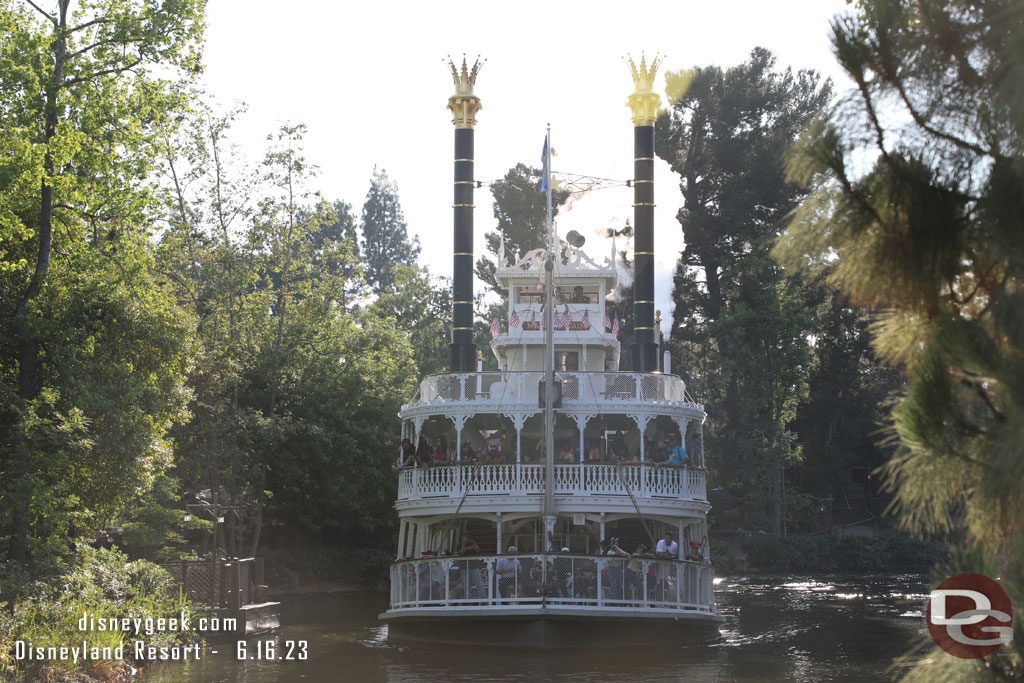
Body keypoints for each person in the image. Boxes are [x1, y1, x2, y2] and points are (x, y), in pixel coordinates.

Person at [456, 533, 485, 599]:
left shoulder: (474, 543)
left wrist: (473, 542)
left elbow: (477, 550)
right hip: (464, 568)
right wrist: (464, 544)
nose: (467, 539)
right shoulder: (459, 545)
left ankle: (484, 600)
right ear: (462, 537)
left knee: (479, 584)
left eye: (468, 537)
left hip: (474, 567)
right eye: (465, 537)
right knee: (466, 586)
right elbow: (461, 553)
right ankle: (468, 601)